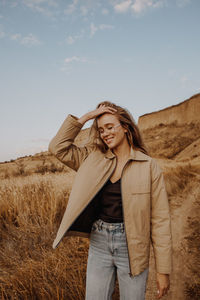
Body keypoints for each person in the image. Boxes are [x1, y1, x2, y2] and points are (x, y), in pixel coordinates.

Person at [48, 101, 172, 300]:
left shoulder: (148, 166)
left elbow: (160, 221)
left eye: (110, 127)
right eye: (101, 129)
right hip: (99, 242)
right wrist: (87, 117)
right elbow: (58, 147)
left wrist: (163, 271)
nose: (105, 133)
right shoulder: (92, 158)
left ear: (125, 127)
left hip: (133, 247)